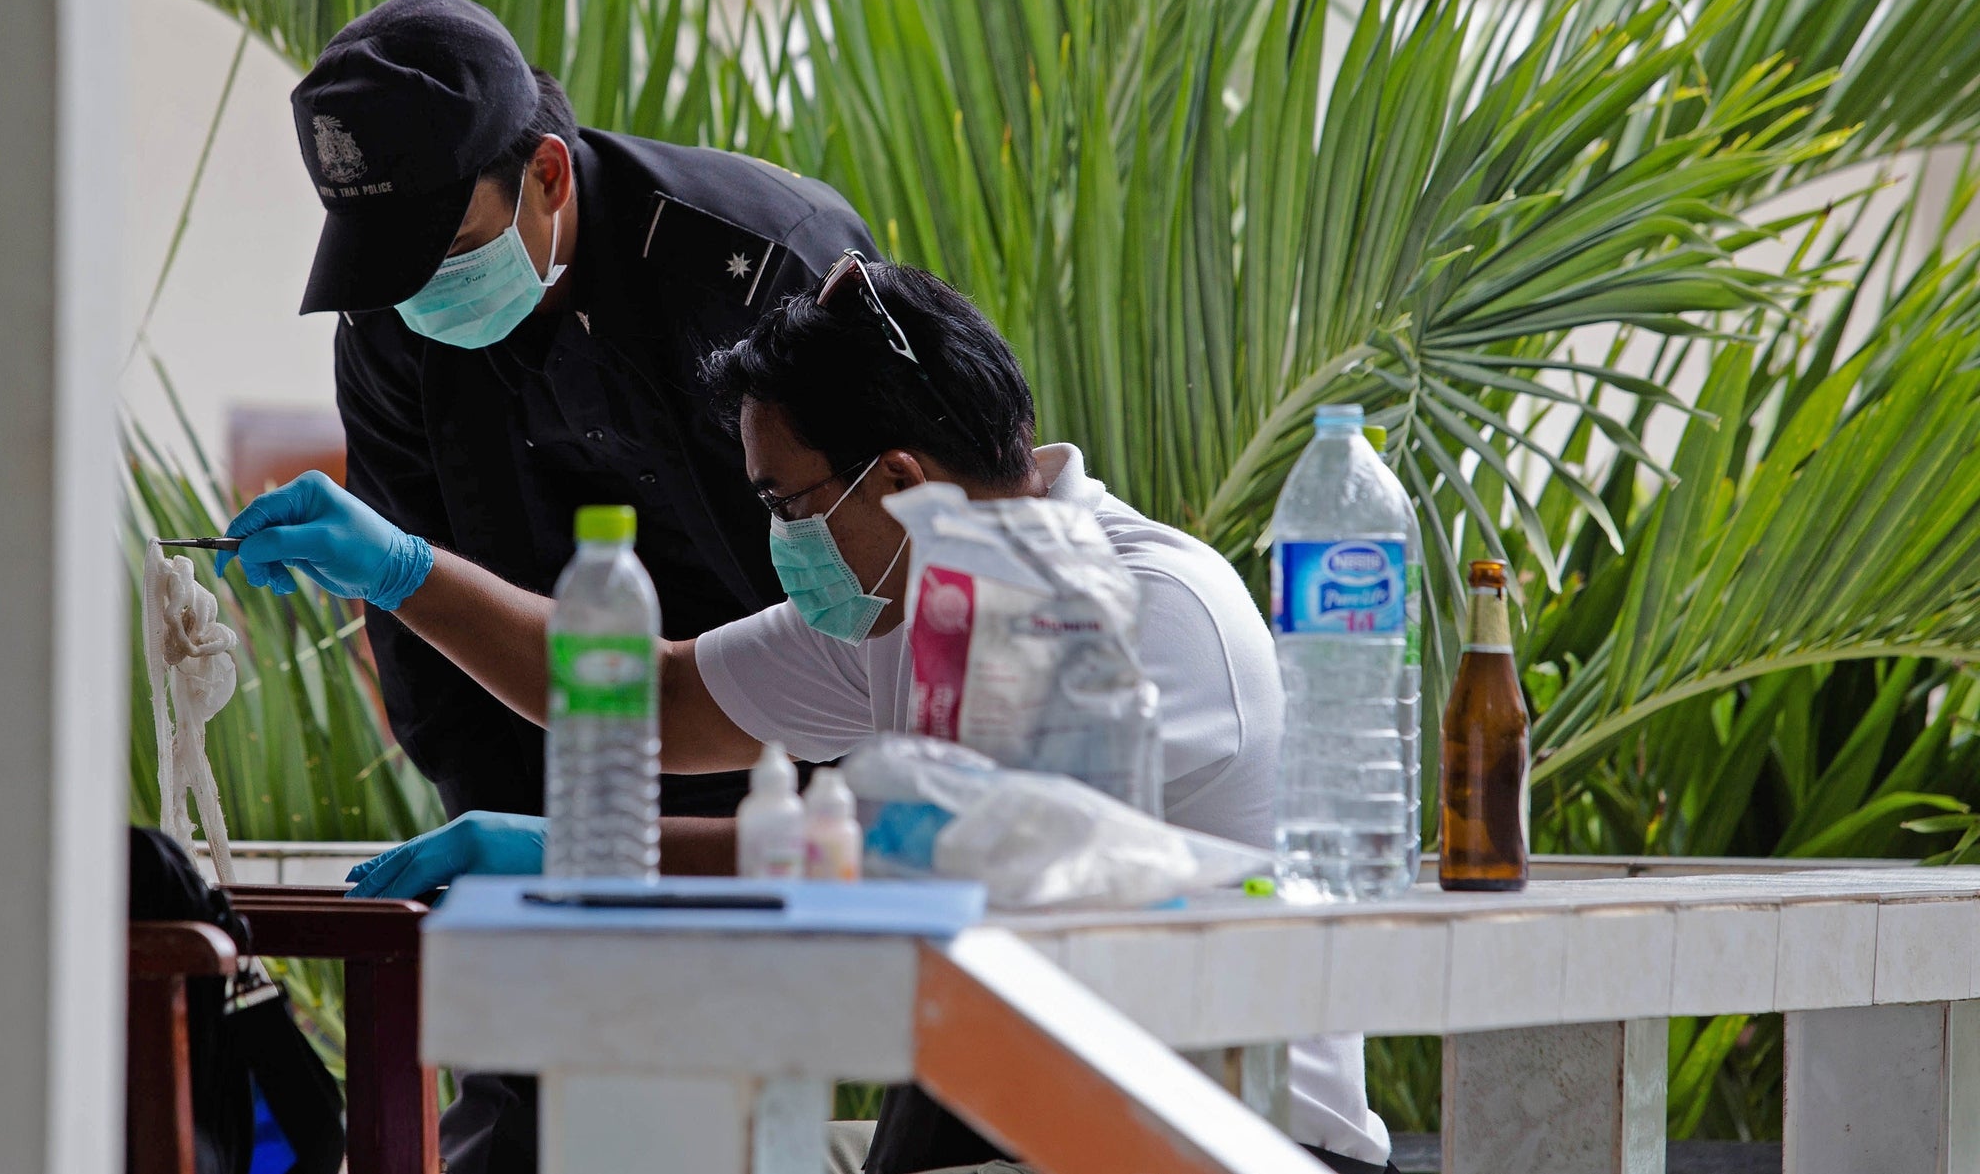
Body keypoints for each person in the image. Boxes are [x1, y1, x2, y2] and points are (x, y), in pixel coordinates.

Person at [223, 256, 1396, 1174]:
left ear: (894, 480)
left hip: (1227, 1136)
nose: (777, 542)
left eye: (788, 502)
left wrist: (596, 856)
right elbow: (662, 695)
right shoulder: (900, 608)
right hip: (1028, 1112)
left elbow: (944, 866)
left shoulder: (1134, 613)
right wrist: (398, 569)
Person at [280, 0, 878, 1171]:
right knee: (514, 1130)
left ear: (548, 176)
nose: (420, 296)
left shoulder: (757, 264)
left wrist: (803, 847)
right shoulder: (394, 331)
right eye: (391, 269)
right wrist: (511, 852)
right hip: (551, 785)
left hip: (784, 777)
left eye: (448, 252)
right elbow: (425, 641)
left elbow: (878, 569)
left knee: (725, 1133)